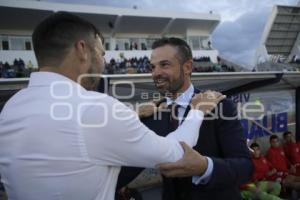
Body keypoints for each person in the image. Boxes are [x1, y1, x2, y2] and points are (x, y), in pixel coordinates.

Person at [0, 12, 224, 200]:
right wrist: (197, 111)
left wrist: (133, 113)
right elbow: (176, 155)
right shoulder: (96, 108)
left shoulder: (11, 107)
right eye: (101, 52)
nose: (104, 61)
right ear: (82, 49)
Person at [117, 37, 253, 200]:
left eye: (164, 65)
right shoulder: (148, 113)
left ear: (187, 67)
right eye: (153, 67)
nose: (156, 73)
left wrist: (205, 167)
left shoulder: (218, 105)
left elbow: (245, 167)